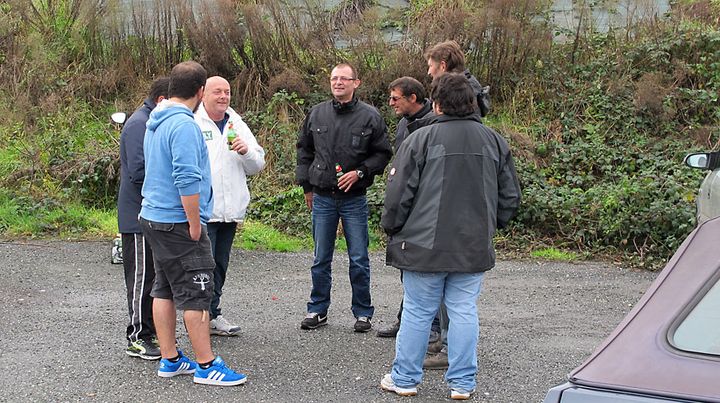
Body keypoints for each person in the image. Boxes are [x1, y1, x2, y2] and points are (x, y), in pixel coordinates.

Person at [379, 73, 521, 400]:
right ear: (472, 102)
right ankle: (462, 383)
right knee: (463, 310)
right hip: (471, 245)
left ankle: (405, 379)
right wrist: (489, 225)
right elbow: (509, 197)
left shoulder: (420, 139)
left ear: (437, 103)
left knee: (418, 311)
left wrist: (393, 227)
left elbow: (398, 194)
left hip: (423, 246)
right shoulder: (494, 141)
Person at [139, 60, 246, 386]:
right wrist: (196, 223)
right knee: (199, 292)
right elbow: (186, 178)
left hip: (153, 217)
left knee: (165, 288)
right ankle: (206, 364)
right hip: (178, 222)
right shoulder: (185, 126)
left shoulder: (153, 120)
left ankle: (170, 359)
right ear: (200, 92)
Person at [296, 62, 392, 332]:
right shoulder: (316, 114)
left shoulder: (370, 116)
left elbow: (383, 153)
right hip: (323, 198)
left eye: (344, 79)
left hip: (354, 199)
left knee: (359, 258)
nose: (338, 82)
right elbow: (304, 151)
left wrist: (360, 172)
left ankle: (363, 313)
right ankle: (317, 309)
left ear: (356, 83)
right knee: (320, 258)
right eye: (334, 78)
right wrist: (307, 187)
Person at [421, 39, 492, 369]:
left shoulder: (460, 94)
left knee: (458, 295)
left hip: (454, 206)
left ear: (444, 64)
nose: (428, 69)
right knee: (455, 293)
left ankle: (451, 350)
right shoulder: (467, 90)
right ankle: (444, 342)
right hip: (463, 208)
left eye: (431, 64)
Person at [194, 76, 266, 336]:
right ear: (203, 95)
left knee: (220, 265)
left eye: (227, 92)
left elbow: (258, 165)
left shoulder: (236, 122)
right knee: (203, 266)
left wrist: (246, 151)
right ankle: (200, 316)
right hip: (203, 210)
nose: (223, 96)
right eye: (217, 92)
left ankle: (213, 315)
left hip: (230, 209)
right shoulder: (194, 121)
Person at [376, 76, 435, 339]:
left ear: (413, 98)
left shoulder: (435, 124)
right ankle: (406, 321)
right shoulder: (403, 124)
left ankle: (430, 330)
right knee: (407, 269)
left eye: (395, 98)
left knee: (426, 273)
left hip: (425, 209)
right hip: (405, 206)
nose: (390, 103)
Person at [117, 76, 169, 360]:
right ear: (162, 100)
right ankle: (137, 336)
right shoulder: (139, 123)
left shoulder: (153, 120)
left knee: (156, 279)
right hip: (136, 217)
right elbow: (138, 171)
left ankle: (153, 332)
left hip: (152, 214)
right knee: (141, 279)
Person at [425, 40, 490, 117]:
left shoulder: (459, 92)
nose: (429, 72)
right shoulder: (469, 86)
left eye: (431, 66)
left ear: (443, 66)